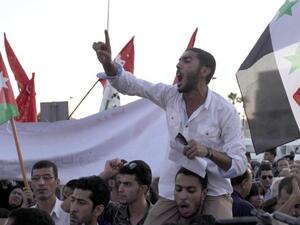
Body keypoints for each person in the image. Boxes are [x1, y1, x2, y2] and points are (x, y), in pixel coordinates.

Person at [93, 30, 247, 222]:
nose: (178, 64)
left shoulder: (225, 111)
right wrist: (108, 64)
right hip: (173, 189)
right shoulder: (170, 96)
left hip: (214, 191)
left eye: (186, 60)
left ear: (204, 71)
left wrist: (207, 152)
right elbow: (132, 85)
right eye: (179, 61)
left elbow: (239, 165)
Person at [99, 159, 153, 225]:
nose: (120, 189)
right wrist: (105, 174)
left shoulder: (159, 217)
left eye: (127, 184)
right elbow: (88, 198)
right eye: (120, 183)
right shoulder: (116, 211)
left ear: (143, 189)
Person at [30, 160, 69, 225]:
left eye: (46, 178)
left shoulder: (69, 214)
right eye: (36, 178)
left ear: (57, 182)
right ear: (31, 184)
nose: (41, 183)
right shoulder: (27, 216)